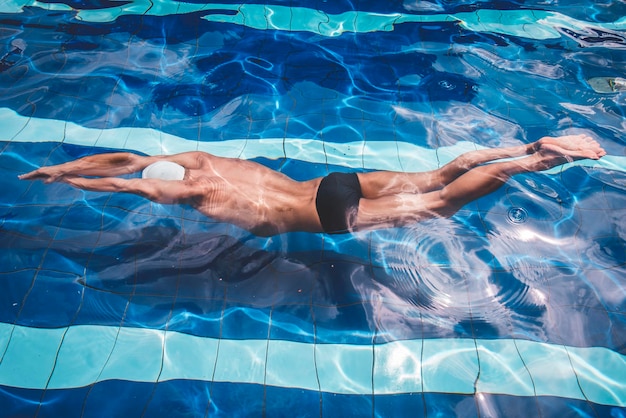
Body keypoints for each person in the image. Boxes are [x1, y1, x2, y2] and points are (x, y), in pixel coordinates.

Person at [19, 134, 605, 236]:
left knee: (443, 203)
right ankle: (525, 149)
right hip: (332, 183)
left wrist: (67, 181)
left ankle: (534, 166)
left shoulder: (180, 191)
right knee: (439, 172)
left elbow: (123, 182)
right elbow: (125, 158)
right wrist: (67, 165)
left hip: (329, 217)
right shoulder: (198, 159)